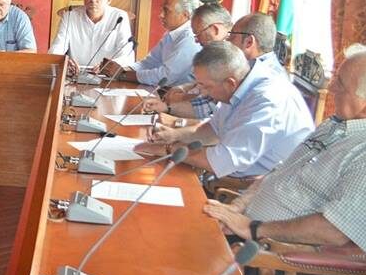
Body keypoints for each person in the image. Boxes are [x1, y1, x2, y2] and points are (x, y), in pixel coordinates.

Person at [204, 44, 366, 275]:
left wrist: (254, 228)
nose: (331, 88)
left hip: (316, 271)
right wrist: (238, 207)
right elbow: (280, 172)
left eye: (341, 85)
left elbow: (335, 231)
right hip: (262, 238)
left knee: (190, 268)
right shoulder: (337, 125)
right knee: (183, 235)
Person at [134, 41, 313, 183]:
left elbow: (220, 161)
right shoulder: (241, 84)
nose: (202, 93)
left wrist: (167, 149)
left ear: (229, 83)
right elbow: (213, 130)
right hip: (234, 175)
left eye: (206, 87)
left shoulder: (267, 101)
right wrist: (174, 135)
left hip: (257, 188)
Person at [142, 2, 232, 120]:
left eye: (198, 34)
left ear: (215, 29)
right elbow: (202, 85)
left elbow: (211, 106)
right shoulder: (215, 53)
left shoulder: (231, 58)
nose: (196, 40)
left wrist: (179, 102)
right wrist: (183, 88)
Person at [99, 0, 201, 85]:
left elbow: (165, 76)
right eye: (162, 10)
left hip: (182, 95)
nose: (161, 15)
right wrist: (120, 69)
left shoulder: (190, 38)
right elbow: (148, 63)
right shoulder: (171, 34)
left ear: (185, 15)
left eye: (166, 11)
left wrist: (123, 74)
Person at [47, 0, 133, 75]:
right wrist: (64, 62)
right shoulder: (70, 16)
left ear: (109, 0)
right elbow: (56, 49)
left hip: (106, 76)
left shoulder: (120, 18)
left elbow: (127, 56)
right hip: (74, 75)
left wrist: (107, 66)